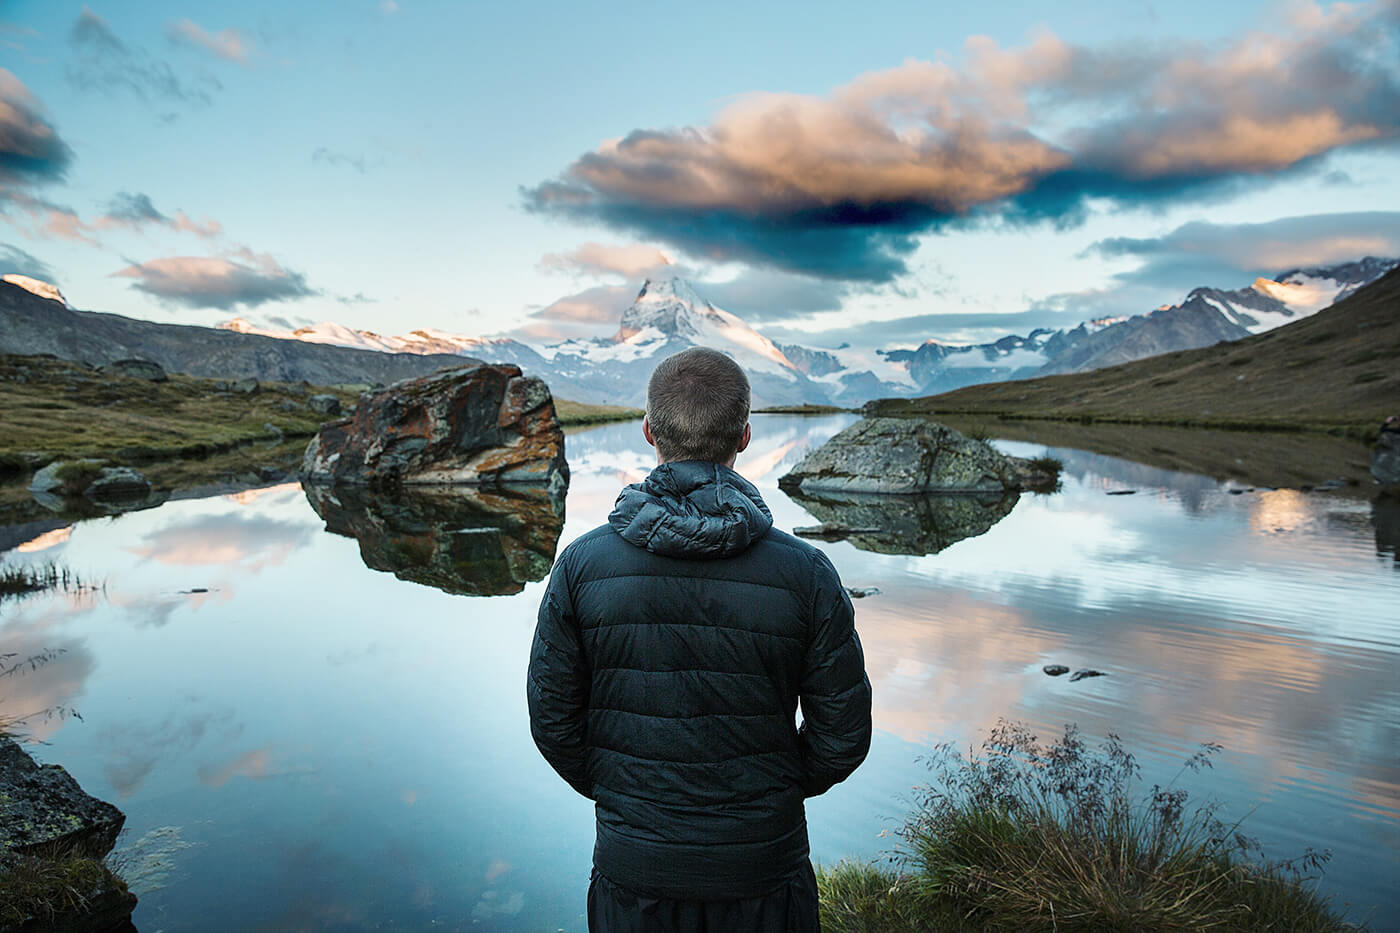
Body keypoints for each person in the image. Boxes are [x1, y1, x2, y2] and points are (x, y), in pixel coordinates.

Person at [527, 346, 873, 932]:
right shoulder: (807, 573)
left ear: (647, 431)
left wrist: (625, 795)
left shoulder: (581, 567)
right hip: (764, 870)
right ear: (743, 436)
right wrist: (775, 788)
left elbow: (553, 723)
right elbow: (842, 736)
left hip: (634, 873)